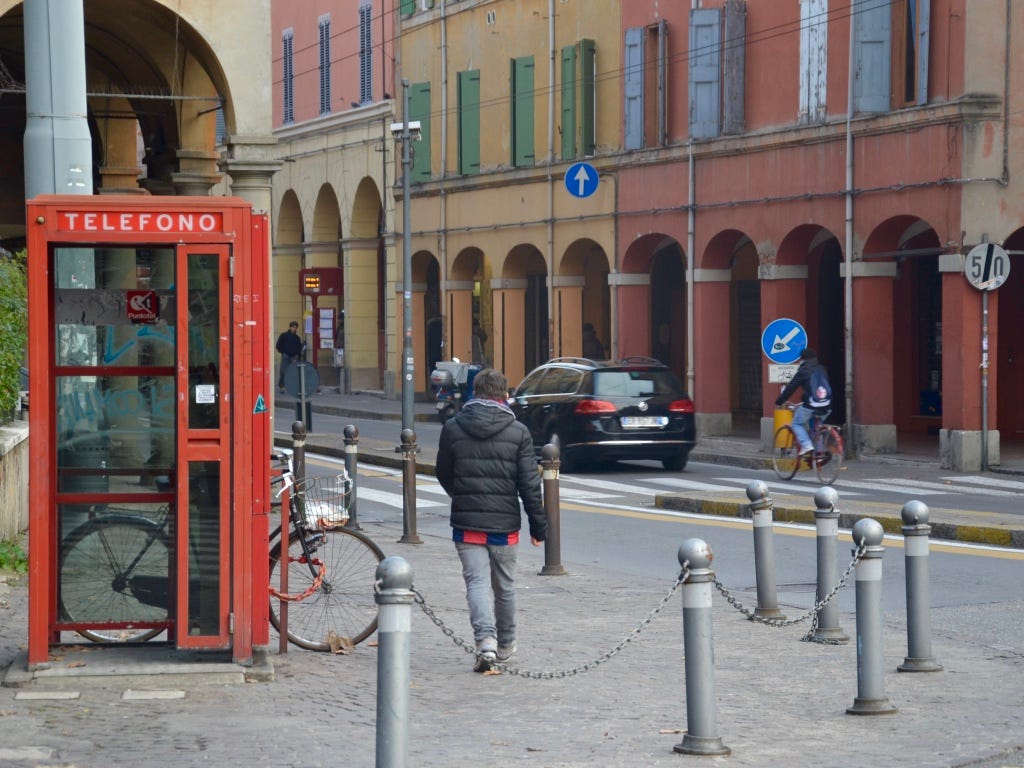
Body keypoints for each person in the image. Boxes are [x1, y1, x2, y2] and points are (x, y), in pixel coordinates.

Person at [436, 367, 547, 673]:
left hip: (467, 521)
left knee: (476, 582)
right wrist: (539, 527)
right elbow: (529, 485)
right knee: (505, 585)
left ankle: (485, 643)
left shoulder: (453, 427)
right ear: (505, 396)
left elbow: (443, 472)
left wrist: (462, 496)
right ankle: (507, 644)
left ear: (475, 393)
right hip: (504, 523)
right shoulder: (518, 432)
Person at [775, 347, 832, 456]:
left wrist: (779, 401)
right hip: (828, 404)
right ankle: (819, 453)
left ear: (803, 359)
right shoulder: (822, 368)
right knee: (817, 425)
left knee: (796, 423)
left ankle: (807, 445)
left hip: (812, 403)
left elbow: (791, 388)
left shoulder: (803, 370)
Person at [275, 321, 304, 393]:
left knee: (293, 372)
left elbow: (299, 348)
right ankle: (282, 386)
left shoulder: (297, 338)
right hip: (285, 355)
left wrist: (297, 355)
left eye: (295, 327)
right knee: (283, 371)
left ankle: (292, 387)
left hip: (294, 356)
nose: (294, 329)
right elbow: (278, 345)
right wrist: (283, 352)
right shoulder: (283, 335)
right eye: (293, 327)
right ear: (290, 327)